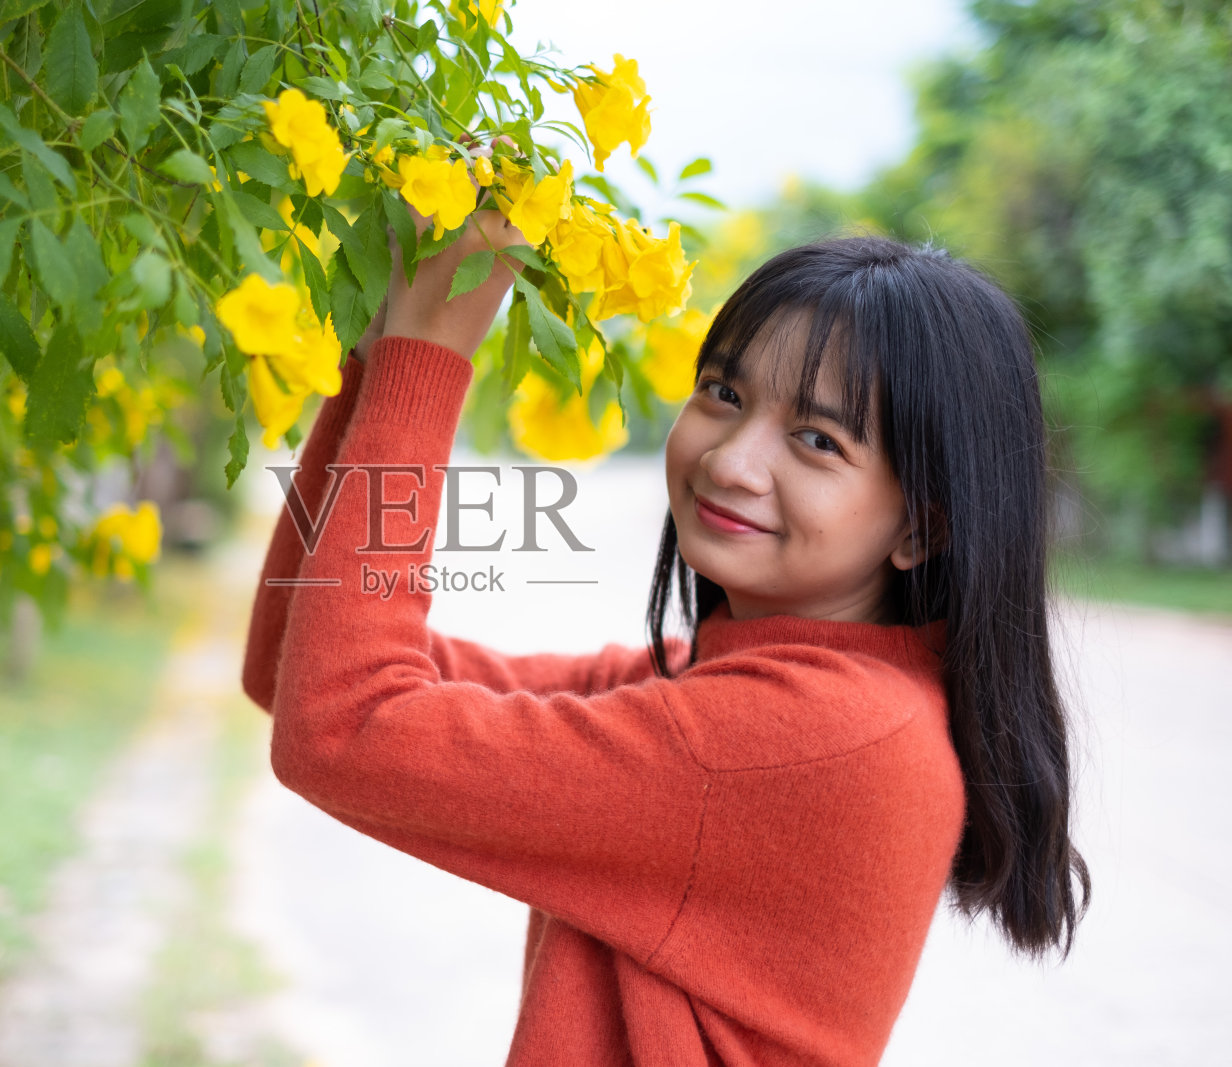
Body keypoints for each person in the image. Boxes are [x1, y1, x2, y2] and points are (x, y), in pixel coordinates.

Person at [240, 208, 1090, 1065]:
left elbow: (339, 724)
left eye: (816, 439)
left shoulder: (804, 737)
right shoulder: (739, 690)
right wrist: (381, 349)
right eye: (724, 393)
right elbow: (295, 671)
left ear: (922, 528)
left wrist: (430, 357)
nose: (731, 460)